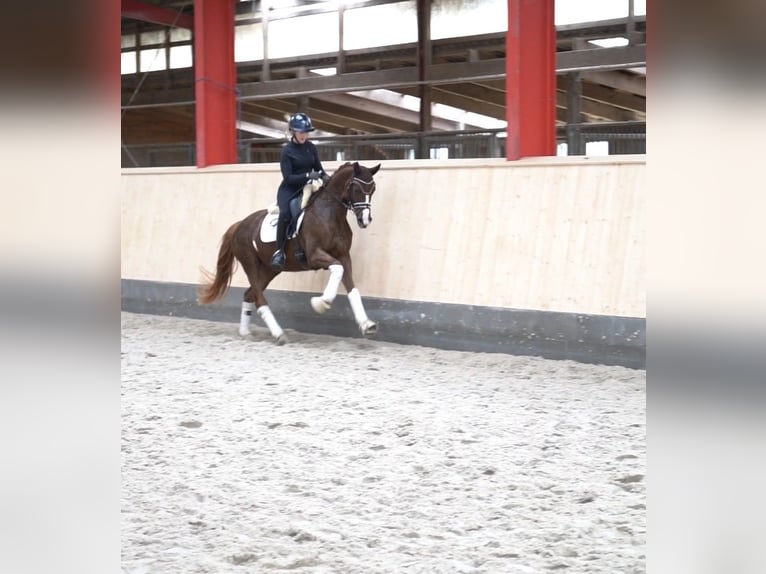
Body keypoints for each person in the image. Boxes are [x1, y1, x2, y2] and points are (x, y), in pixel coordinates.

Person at [270, 112, 329, 270]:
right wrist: (308, 175)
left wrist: (327, 179)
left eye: (306, 132)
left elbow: (319, 170)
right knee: (285, 214)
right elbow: (288, 177)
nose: (304, 135)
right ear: (293, 132)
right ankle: (279, 252)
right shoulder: (287, 151)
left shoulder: (311, 148)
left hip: (308, 188)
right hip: (290, 190)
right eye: (301, 132)